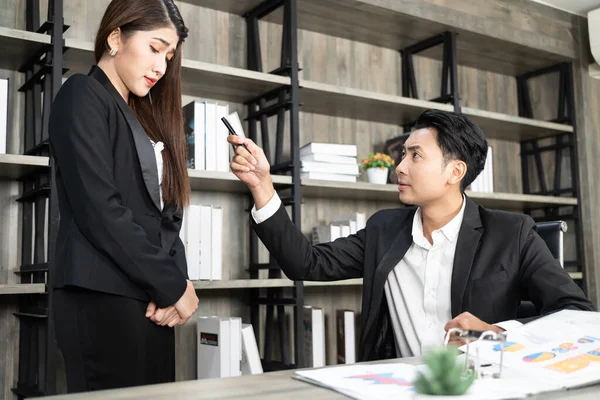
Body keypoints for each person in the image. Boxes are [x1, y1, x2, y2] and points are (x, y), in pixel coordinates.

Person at [228, 109, 595, 362]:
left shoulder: (512, 234)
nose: (399, 167)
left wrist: (498, 331)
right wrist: (261, 184)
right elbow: (305, 262)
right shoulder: (384, 229)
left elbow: (577, 314)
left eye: (415, 156)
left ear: (455, 171)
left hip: (479, 386)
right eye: (403, 154)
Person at [48, 0, 199, 393]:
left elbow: (164, 215)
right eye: (154, 47)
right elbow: (102, 211)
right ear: (116, 37)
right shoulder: (81, 95)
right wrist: (174, 287)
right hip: (102, 298)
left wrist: (176, 280)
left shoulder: (142, 116)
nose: (161, 67)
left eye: (169, 55)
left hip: (150, 301)